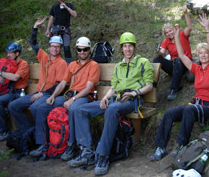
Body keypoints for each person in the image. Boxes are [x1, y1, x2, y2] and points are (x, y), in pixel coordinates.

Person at [63, 32, 154, 175]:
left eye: (130, 46)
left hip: (131, 100)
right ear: (121, 49)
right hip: (115, 99)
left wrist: (134, 93)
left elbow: (149, 85)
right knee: (81, 109)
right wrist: (105, 97)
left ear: (134, 47)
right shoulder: (119, 66)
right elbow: (113, 87)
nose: (128, 49)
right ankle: (86, 151)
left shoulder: (143, 62)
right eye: (125, 46)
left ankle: (102, 155)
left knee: (112, 109)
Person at [150, 16, 209, 161]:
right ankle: (161, 148)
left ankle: (182, 144)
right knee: (169, 113)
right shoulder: (197, 68)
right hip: (195, 103)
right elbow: (181, 55)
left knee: (189, 109)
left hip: (208, 107)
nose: (204, 55)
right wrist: (176, 36)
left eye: (206, 52)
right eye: (201, 53)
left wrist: (207, 30)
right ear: (198, 57)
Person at [28, 37, 100, 157]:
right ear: (76, 50)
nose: (82, 52)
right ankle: (44, 144)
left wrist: (73, 100)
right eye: (79, 49)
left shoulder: (93, 65)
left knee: (73, 109)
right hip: (69, 95)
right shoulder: (72, 65)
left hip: (84, 96)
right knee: (42, 107)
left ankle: (71, 144)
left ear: (89, 50)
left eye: (85, 49)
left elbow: (88, 88)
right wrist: (53, 95)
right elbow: (62, 83)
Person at [8, 18, 67, 141]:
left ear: (60, 48)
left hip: (49, 95)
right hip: (38, 93)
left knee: (35, 107)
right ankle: (30, 131)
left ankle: (41, 138)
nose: (54, 49)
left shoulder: (62, 63)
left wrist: (42, 94)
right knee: (14, 106)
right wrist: (35, 27)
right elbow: (33, 43)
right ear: (49, 47)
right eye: (52, 46)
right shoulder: (44, 57)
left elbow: (59, 85)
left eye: (57, 47)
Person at [153, 5, 194, 101]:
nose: (169, 33)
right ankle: (153, 85)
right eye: (167, 32)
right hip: (174, 64)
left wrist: (186, 13)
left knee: (179, 59)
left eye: (170, 30)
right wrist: (158, 52)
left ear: (174, 29)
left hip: (186, 63)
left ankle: (174, 89)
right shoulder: (166, 41)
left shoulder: (182, 34)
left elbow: (190, 27)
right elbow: (162, 53)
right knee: (156, 59)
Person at [0, 42, 29, 141]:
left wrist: (0, 73)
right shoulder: (7, 62)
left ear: (17, 53)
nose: (8, 55)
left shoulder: (23, 64)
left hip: (17, 93)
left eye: (10, 53)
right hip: (6, 90)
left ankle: (4, 130)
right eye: (7, 53)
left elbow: (15, 77)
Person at [45, 0, 77, 64]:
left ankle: (68, 64)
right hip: (56, 28)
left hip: (65, 28)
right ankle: (54, 63)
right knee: (54, 47)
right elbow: (51, 18)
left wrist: (66, 7)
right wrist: (47, 29)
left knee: (66, 47)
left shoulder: (69, 5)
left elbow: (75, 14)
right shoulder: (54, 7)